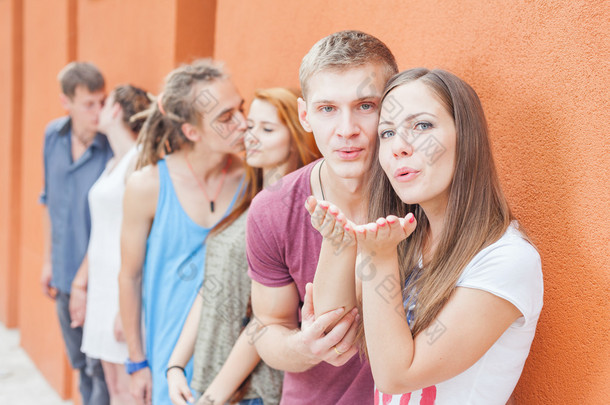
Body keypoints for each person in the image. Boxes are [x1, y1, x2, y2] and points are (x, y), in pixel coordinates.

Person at [307, 68, 544, 404]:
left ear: (466, 136)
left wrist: (378, 256)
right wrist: (338, 244)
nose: (398, 148)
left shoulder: (506, 259)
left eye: (422, 126)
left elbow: (396, 376)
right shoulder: (405, 240)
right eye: (387, 133)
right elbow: (330, 334)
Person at [245, 31, 398, 404]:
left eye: (365, 105)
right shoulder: (273, 209)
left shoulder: (424, 197)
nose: (347, 129)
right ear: (305, 115)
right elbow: (267, 327)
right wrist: (304, 345)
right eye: (328, 108)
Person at [167, 87, 320, 405]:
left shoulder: (298, 212)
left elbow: (267, 317)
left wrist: (216, 395)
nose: (251, 136)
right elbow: (212, 287)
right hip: (209, 378)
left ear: (295, 135)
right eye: (250, 126)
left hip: (251, 390)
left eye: (267, 129)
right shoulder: (248, 201)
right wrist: (176, 365)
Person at [119, 59, 247, 405]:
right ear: (191, 131)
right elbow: (129, 276)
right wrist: (137, 362)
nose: (243, 123)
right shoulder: (147, 186)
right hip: (170, 366)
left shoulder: (252, 180)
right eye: (225, 117)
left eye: (241, 108)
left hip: (235, 369)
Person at [39, 61, 112, 405]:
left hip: (99, 282)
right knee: (81, 366)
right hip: (64, 277)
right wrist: (47, 261)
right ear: (65, 102)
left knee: (101, 370)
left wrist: (84, 282)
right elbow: (49, 202)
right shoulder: (52, 136)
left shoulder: (112, 148)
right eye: (89, 104)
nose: (99, 111)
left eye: (102, 101)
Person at [80, 84, 152, 405]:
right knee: (113, 387)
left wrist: (127, 312)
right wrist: (82, 284)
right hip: (102, 287)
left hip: (123, 289)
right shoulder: (113, 162)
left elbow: (145, 236)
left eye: (104, 103)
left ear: (117, 110)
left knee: (130, 392)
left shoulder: (138, 161)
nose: (97, 110)